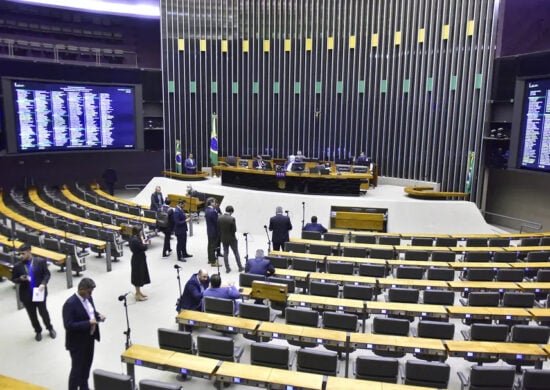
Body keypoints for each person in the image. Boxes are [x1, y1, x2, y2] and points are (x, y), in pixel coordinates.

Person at [62, 277, 105, 390]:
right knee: (76, 370)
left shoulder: (89, 298)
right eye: (89, 291)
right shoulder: (70, 304)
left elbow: (91, 312)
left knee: (86, 367)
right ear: (81, 289)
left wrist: (98, 315)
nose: (90, 294)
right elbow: (68, 325)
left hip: (89, 339)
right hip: (77, 343)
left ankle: (84, 386)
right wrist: (87, 323)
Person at [11, 243, 56, 341]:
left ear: (29, 252)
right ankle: (38, 331)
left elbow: (46, 274)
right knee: (32, 315)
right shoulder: (18, 266)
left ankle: (50, 328)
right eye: (20, 254)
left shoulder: (40, 261)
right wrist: (20, 279)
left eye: (23, 253)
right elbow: (13, 279)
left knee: (44, 313)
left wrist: (43, 283)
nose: (21, 256)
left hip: (39, 293)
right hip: (27, 295)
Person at [217, 205, 244, 273]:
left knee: (226, 253)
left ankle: (227, 268)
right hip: (232, 238)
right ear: (231, 212)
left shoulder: (220, 217)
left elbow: (218, 228)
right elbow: (234, 230)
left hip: (223, 237)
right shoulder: (232, 219)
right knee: (236, 253)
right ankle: (240, 267)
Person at [129, 226, 151, 301]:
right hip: (138, 260)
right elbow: (143, 247)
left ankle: (138, 292)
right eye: (140, 232)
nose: (142, 233)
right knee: (137, 277)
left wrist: (142, 240)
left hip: (138, 258)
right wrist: (146, 242)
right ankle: (137, 295)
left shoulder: (133, 237)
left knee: (139, 276)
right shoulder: (135, 240)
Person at [205, 197, 222, 266]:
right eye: (214, 202)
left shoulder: (207, 209)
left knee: (210, 245)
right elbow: (216, 222)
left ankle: (210, 259)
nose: (215, 203)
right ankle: (213, 261)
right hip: (214, 231)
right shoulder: (212, 211)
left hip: (209, 230)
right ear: (211, 203)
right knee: (212, 246)